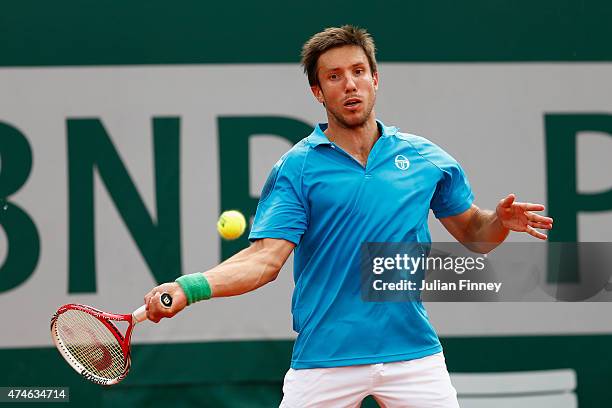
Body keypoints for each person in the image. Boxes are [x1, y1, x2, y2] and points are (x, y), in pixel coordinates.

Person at [144, 25, 553, 407]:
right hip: (326, 357)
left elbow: (475, 234)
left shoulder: (425, 158)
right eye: (335, 76)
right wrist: (190, 287)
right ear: (317, 92)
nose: (350, 84)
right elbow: (264, 261)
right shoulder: (298, 168)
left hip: (412, 355)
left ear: (376, 79)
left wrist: (499, 222)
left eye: (359, 71)